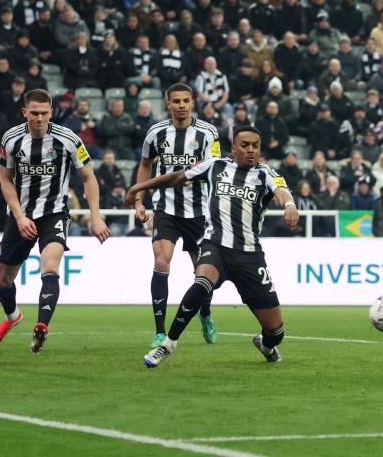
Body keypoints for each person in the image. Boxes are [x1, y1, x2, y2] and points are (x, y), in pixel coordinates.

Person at [126, 127, 298, 368]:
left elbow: (282, 191)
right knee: (202, 280)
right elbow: (177, 177)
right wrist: (139, 187)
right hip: (216, 245)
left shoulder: (266, 174)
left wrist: (289, 204)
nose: (250, 150)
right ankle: (168, 343)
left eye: (255, 146)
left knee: (276, 331)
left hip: (250, 256)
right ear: (234, 148)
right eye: (245, 145)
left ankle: (266, 344)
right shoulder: (214, 165)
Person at [0, 89, 110, 353]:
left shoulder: (68, 139)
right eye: (34, 113)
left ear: (51, 113)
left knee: (50, 266)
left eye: (44, 113)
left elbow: (89, 178)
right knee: (2, 280)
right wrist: (20, 217)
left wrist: (95, 217)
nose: (39, 118)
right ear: (25, 113)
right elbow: (6, 180)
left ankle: (41, 327)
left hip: (54, 212)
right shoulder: (11, 139)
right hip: (20, 216)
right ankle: (12, 317)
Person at [132, 84, 221, 347]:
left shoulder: (208, 133)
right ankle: (160, 331)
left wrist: (190, 175)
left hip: (199, 212)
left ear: (192, 103)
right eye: (176, 101)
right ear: (168, 104)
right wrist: (139, 200)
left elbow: (215, 166)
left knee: (203, 272)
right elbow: (145, 165)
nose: (181, 105)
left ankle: (205, 313)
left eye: (185, 101)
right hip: (166, 208)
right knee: (161, 262)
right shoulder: (156, 133)